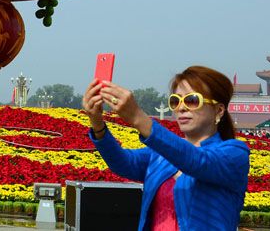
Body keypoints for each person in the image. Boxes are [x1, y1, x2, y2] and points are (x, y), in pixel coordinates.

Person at [83, 65, 249, 231]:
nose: (182, 108)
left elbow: (197, 161)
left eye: (192, 100)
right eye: (176, 101)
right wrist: (97, 124)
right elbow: (122, 162)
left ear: (218, 110)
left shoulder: (234, 154)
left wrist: (138, 118)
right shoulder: (160, 155)